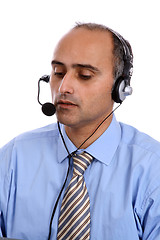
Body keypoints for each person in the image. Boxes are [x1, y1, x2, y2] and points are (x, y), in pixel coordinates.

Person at [0, 22, 160, 240]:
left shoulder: (152, 168)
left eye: (84, 75)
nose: (63, 87)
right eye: (58, 72)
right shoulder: (13, 158)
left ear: (120, 88)